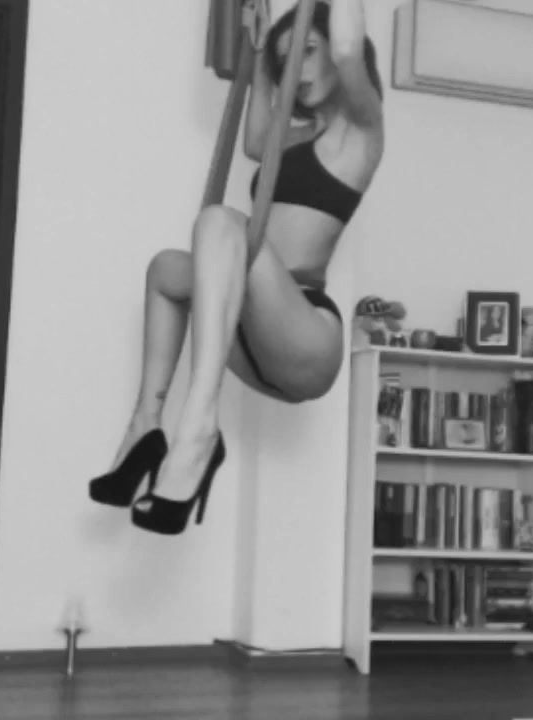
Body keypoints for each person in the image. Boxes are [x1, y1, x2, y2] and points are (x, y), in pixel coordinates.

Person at [88, 0, 385, 535]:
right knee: (165, 271)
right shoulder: (295, 136)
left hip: (304, 332)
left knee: (220, 222)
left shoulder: (360, 131)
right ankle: (145, 428)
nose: (298, 71)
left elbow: (346, 45)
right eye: (289, 61)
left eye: (308, 51)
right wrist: (261, 53)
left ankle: (199, 428)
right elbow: (254, 141)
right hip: (248, 330)